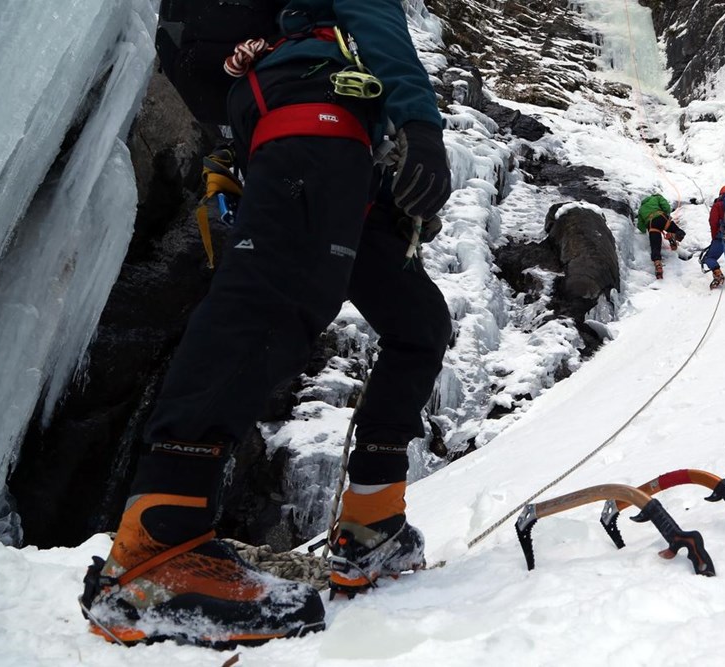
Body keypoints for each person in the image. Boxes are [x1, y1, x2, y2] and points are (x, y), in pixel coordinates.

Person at [80, 0, 452, 646]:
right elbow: (381, 26)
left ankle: (372, 523)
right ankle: (157, 545)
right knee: (270, 301)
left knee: (418, 319)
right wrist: (422, 126)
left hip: (322, 140)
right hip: (317, 115)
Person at [636, 193, 686, 279]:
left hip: (651, 225)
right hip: (661, 217)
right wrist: (666, 214)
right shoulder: (656, 198)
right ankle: (673, 235)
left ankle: (658, 264)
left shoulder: (641, 209)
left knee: (655, 246)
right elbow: (666, 206)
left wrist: (644, 229)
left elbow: (641, 226)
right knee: (679, 232)